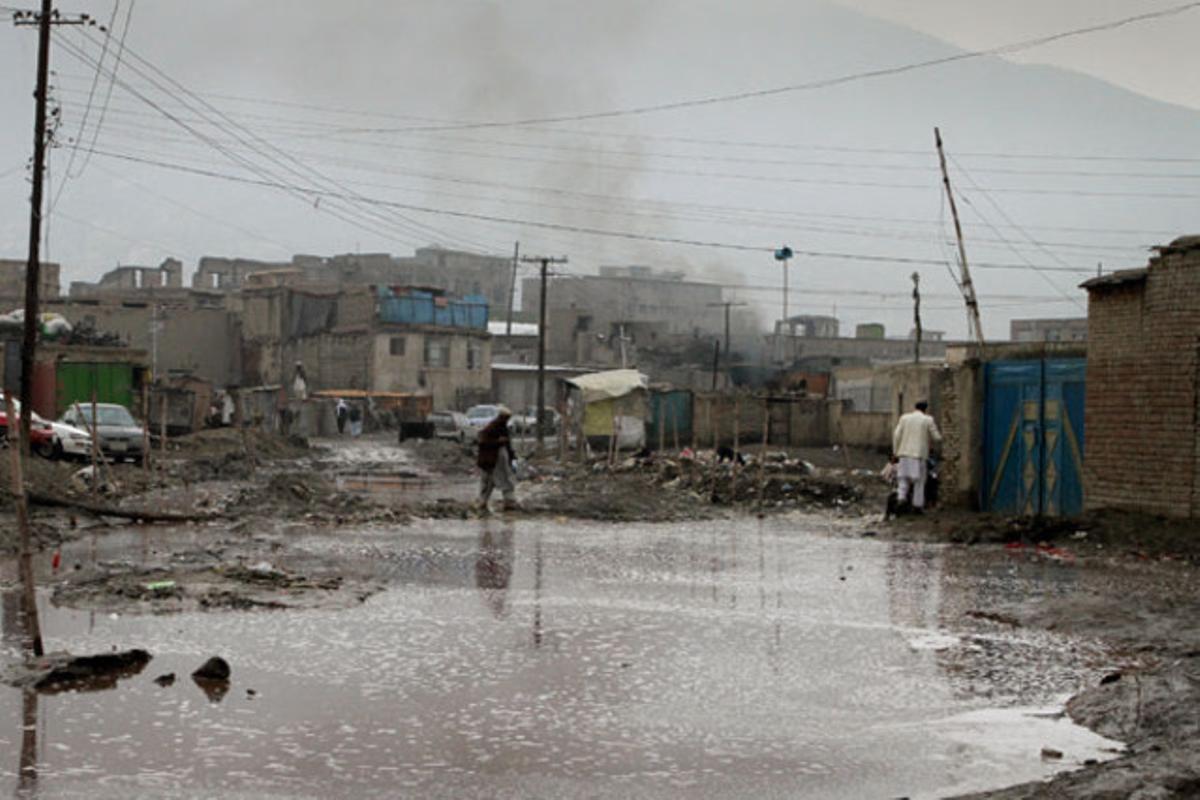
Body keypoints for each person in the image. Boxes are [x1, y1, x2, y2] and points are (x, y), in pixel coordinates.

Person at [892, 400, 942, 512]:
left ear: (915, 407)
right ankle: (917, 505)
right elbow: (936, 437)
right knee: (919, 481)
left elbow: (896, 435)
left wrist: (895, 452)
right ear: (925, 409)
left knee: (902, 478)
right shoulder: (928, 419)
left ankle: (901, 498)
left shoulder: (904, 418)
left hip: (903, 454)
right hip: (918, 455)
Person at [476, 407, 518, 512]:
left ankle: (508, 502)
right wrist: (498, 442)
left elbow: (508, 445)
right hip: (491, 460)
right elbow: (483, 442)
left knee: (502, 480)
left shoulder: (502, 428)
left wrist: (512, 456)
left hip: (498, 461)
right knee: (491, 481)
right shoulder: (492, 427)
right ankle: (483, 503)